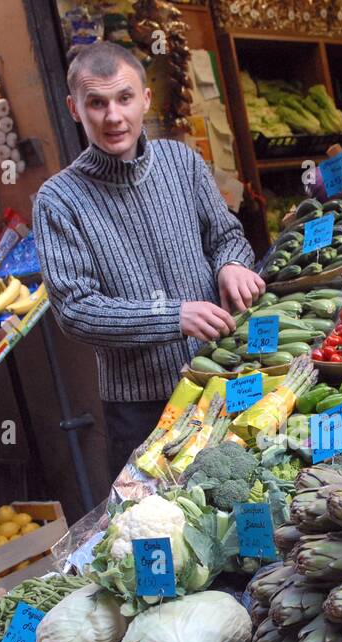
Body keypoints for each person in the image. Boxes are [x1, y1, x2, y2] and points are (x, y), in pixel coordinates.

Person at [33, 41, 265, 478]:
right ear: (74, 108)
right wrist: (170, 317)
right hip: (140, 408)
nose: (113, 116)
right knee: (158, 528)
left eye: (124, 98)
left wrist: (231, 263)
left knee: (248, 501)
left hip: (225, 375)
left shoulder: (183, 162)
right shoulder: (58, 200)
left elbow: (227, 235)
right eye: (96, 103)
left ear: (146, 98)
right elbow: (75, 310)